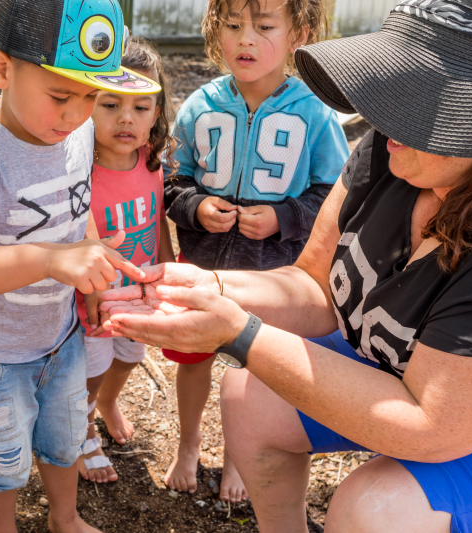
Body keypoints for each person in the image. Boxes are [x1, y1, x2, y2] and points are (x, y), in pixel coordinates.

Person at [99, 0, 472, 531]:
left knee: (373, 509)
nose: (385, 115)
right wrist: (213, 285)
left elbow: (428, 424)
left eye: (415, 102)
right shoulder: (390, 153)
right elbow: (315, 286)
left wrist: (237, 332)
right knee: (249, 395)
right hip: (406, 377)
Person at [0, 1, 161, 531]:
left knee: (64, 440)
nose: (77, 115)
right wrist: (51, 260)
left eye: (91, 97)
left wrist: (96, 267)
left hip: (61, 336)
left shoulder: (75, 132)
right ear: (1, 69)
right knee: (2, 463)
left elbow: (77, 211)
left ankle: (64, 517)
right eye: (60, 96)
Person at [160, 0, 349, 502]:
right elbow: (172, 181)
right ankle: (189, 444)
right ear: (214, 31)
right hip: (204, 265)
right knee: (194, 358)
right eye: (233, 25)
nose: (246, 39)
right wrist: (196, 207)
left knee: (257, 366)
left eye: (264, 27)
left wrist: (283, 217)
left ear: (297, 34)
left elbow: (335, 196)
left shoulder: (316, 111)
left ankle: (242, 455)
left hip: (274, 274)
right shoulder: (199, 105)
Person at [75, 38, 177, 485]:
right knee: (92, 369)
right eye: (110, 104)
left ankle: (108, 402)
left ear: (156, 113)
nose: (125, 119)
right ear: (87, 104)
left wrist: (168, 264)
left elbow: (157, 220)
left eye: (140, 108)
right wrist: (93, 290)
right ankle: (83, 429)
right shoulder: (79, 169)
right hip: (94, 297)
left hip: (137, 290)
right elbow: (77, 235)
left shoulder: (151, 161)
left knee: (131, 357)